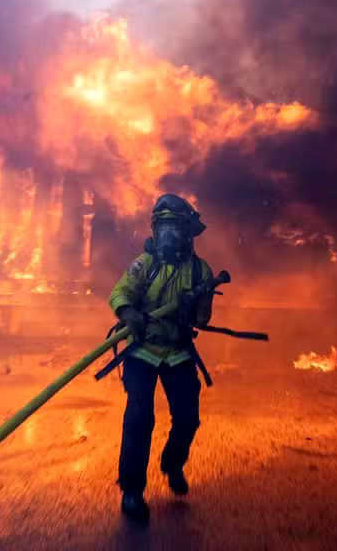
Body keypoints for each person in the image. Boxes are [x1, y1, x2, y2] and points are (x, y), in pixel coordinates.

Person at [107, 193, 214, 522]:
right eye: (163, 227)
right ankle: (132, 491)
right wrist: (127, 312)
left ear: (187, 233)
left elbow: (204, 318)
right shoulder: (145, 264)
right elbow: (120, 291)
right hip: (142, 351)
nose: (168, 234)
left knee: (187, 418)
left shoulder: (200, 271)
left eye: (175, 227)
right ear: (155, 229)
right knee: (139, 420)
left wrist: (191, 311)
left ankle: (172, 464)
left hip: (178, 352)